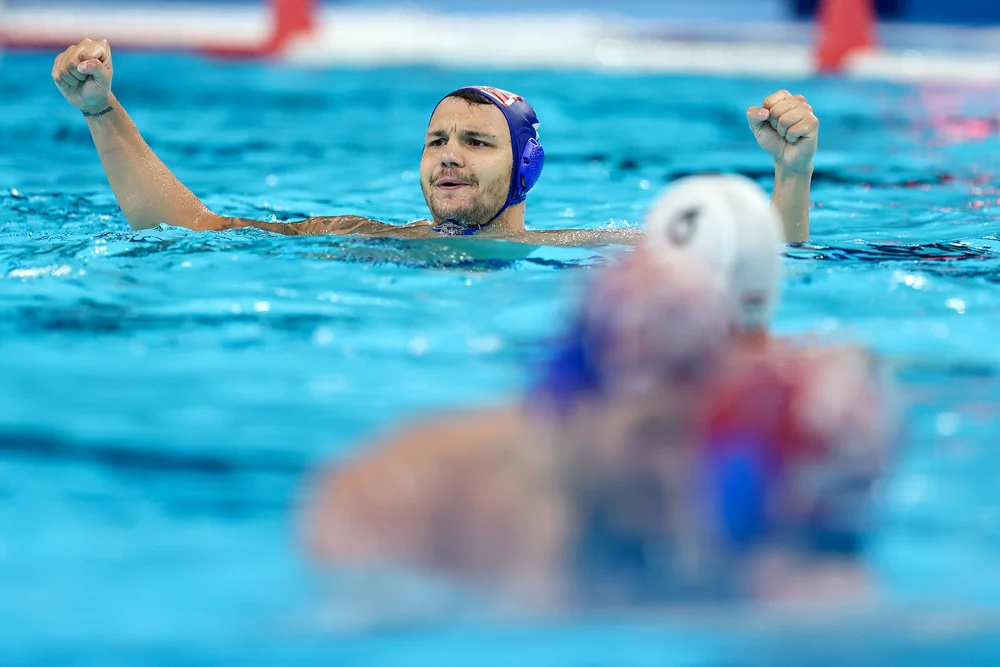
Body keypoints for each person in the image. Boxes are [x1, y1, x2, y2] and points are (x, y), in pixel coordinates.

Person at [301, 175, 899, 611]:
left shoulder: (749, 491)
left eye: (692, 433)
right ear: (572, 408)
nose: (675, 472)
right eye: (652, 434)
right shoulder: (423, 503)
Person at [52, 38, 819, 246]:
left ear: (524, 169)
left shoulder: (588, 250)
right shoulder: (364, 237)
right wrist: (101, 110)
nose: (449, 153)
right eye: (437, 140)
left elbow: (769, 262)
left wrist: (792, 174)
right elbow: (187, 227)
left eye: (478, 142)